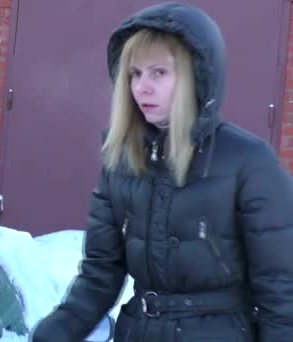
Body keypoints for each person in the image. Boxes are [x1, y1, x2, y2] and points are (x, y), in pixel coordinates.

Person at [31, 2, 293, 342]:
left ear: (195, 76)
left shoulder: (248, 161)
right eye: (135, 74)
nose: (142, 87)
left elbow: (281, 290)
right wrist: (53, 333)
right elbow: (100, 274)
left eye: (159, 72)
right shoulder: (121, 160)